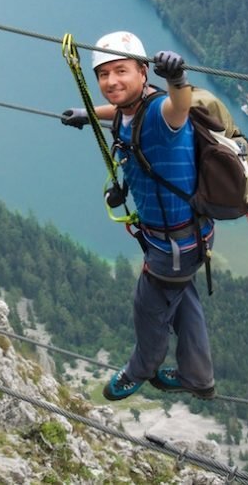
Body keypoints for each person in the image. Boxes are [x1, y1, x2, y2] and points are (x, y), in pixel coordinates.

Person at [61, 31, 216, 401]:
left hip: (174, 244)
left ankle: (140, 369)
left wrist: (177, 78)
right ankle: (199, 377)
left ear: (144, 72)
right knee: (183, 301)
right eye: (104, 74)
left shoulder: (163, 116)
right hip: (187, 236)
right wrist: (88, 114)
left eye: (121, 71)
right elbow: (120, 111)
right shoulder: (136, 107)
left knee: (148, 309)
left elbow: (178, 106)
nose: (111, 81)